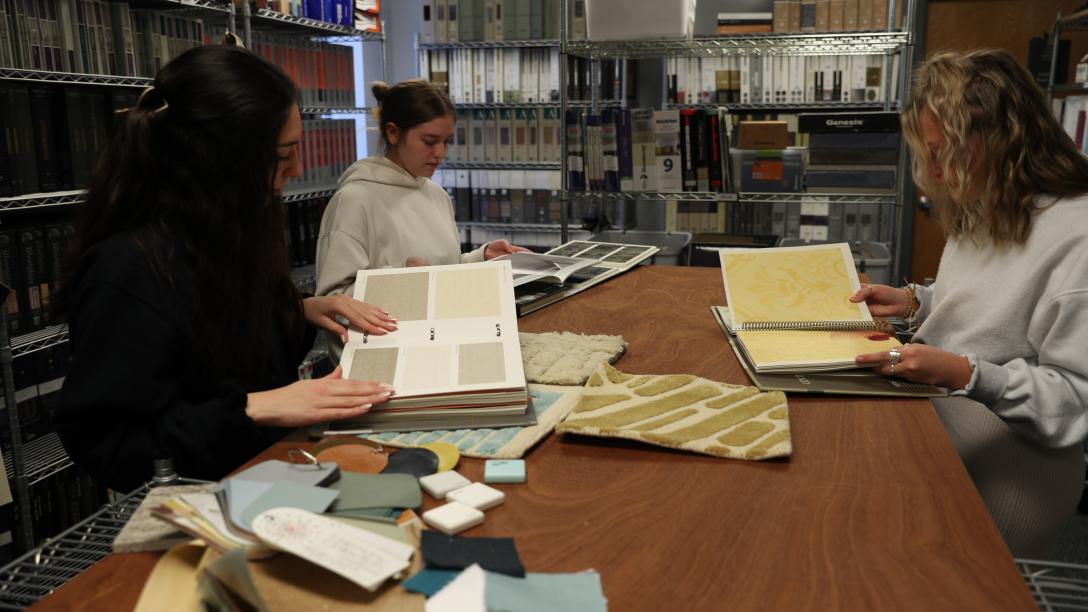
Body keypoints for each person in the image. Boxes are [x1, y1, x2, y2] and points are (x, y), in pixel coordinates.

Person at [54, 45, 395, 492]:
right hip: (205, 506)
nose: (298, 168)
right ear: (222, 160)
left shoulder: (231, 229)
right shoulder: (128, 270)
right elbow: (112, 445)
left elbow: (237, 359)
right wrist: (254, 408)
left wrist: (299, 311)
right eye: (283, 153)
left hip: (270, 477)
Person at [852, 49, 1088, 558]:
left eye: (945, 151)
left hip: (1017, 461)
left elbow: (1075, 401)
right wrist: (918, 301)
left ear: (1001, 139)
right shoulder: (991, 198)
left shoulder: (1078, 233)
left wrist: (963, 373)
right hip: (945, 409)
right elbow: (1000, 309)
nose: (935, 170)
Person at [314, 80, 528, 357]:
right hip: (383, 357)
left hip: (438, 345)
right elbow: (333, 303)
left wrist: (480, 257)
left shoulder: (435, 194)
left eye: (446, 141)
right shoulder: (356, 199)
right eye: (429, 141)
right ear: (393, 133)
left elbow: (439, 271)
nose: (440, 153)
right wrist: (403, 276)